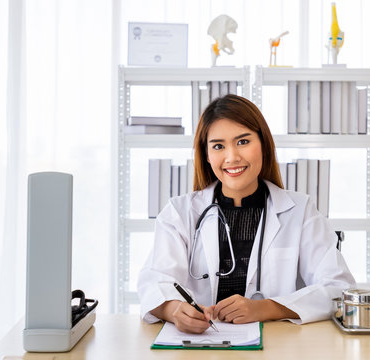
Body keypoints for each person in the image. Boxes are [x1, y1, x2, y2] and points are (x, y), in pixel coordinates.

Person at [137, 94, 355, 334]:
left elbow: (338, 287)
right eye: (218, 146)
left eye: (243, 142)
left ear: (263, 144)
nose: (232, 157)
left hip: (277, 346)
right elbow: (153, 282)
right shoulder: (180, 213)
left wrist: (267, 308)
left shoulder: (300, 211)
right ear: (207, 156)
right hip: (201, 345)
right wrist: (174, 310)